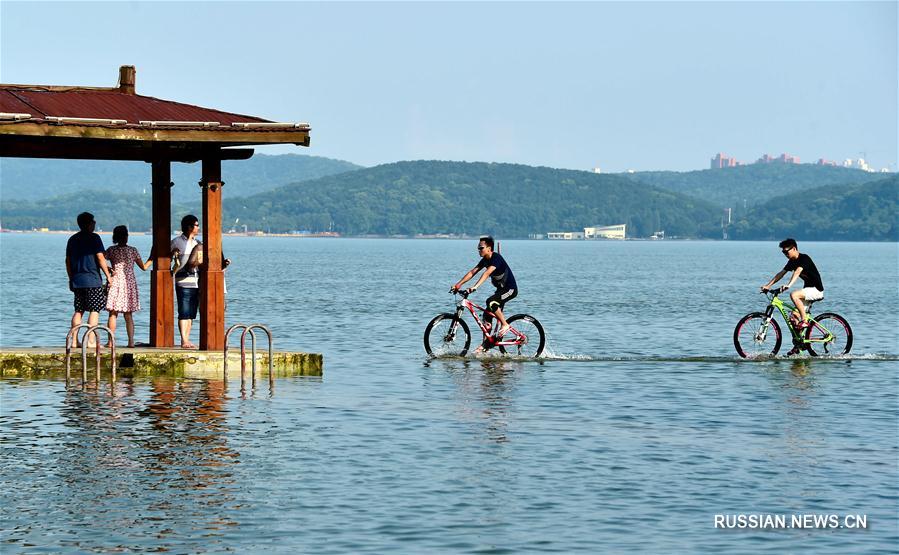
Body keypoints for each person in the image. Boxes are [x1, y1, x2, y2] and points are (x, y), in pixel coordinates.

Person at [450, 236, 518, 348]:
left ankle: (505, 324)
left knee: (491, 302)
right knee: (486, 316)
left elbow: (486, 273)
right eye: (478, 248)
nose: (479, 250)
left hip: (510, 290)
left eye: (481, 248)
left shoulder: (496, 258)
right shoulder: (485, 260)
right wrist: (458, 284)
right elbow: (472, 272)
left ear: (489, 248)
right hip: (500, 290)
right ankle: (486, 344)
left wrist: (475, 286)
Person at [761, 238, 825, 354]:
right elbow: (780, 274)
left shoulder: (804, 258)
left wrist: (789, 285)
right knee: (794, 318)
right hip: (807, 291)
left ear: (794, 248)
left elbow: (797, 272)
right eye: (783, 252)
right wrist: (768, 285)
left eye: (787, 251)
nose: (785, 254)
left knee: (794, 295)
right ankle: (799, 344)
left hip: (816, 290)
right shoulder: (791, 261)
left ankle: (805, 320)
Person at [66, 212, 113, 348]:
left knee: (78, 310)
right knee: (94, 310)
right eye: (93, 221)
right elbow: (100, 257)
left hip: (77, 280)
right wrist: (108, 275)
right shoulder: (94, 238)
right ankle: (91, 341)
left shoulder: (72, 239)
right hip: (92, 280)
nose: (94, 224)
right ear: (88, 224)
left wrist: (71, 278)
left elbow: (68, 261)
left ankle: (74, 341)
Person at [105, 225, 153, 347]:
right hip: (129, 282)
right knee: (128, 315)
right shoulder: (133, 250)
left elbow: (100, 260)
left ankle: (111, 342)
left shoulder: (111, 250)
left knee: (113, 313)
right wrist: (152, 257)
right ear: (126, 236)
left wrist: (109, 269)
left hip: (115, 281)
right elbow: (144, 267)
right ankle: (131, 342)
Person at [171, 215, 201, 349]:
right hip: (182, 281)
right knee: (183, 311)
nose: (198, 227)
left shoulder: (198, 243)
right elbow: (168, 257)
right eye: (196, 225)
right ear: (189, 227)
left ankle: (187, 339)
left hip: (196, 281)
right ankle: (183, 340)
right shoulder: (176, 241)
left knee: (191, 313)